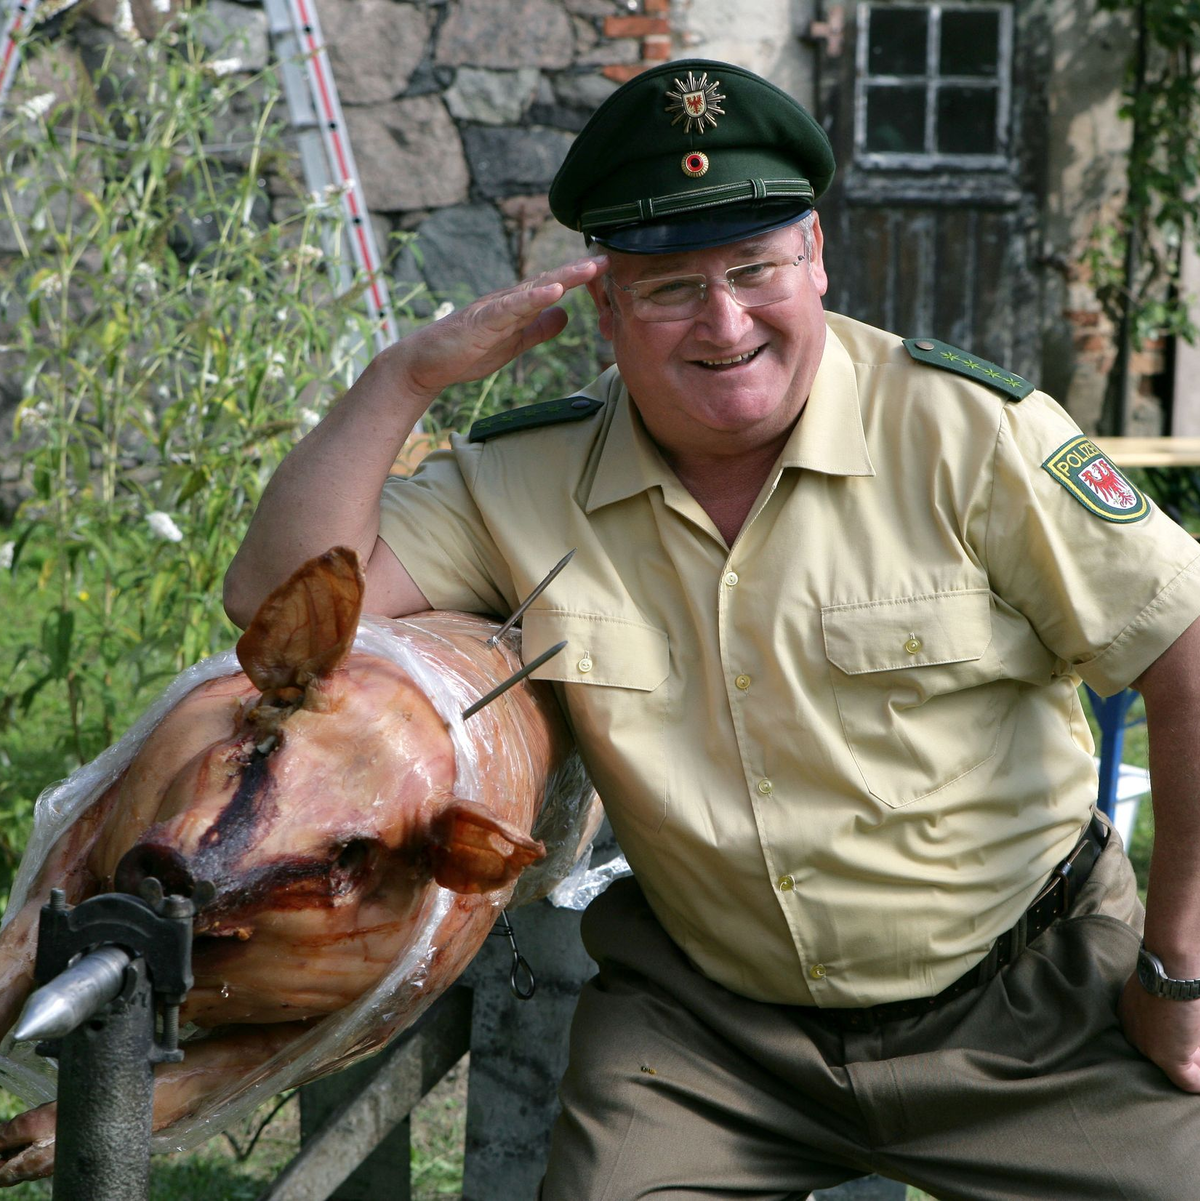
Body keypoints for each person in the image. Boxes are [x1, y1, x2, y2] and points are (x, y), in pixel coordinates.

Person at [224, 59, 1200, 1199]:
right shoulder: (523, 480)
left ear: (817, 257)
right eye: (671, 285)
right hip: (709, 1039)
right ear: (606, 306)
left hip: (1030, 1004)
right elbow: (273, 601)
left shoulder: (970, 434)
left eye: (754, 267)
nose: (725, 320)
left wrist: (1180, 969)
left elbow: (1187, 654)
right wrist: (403, 379)